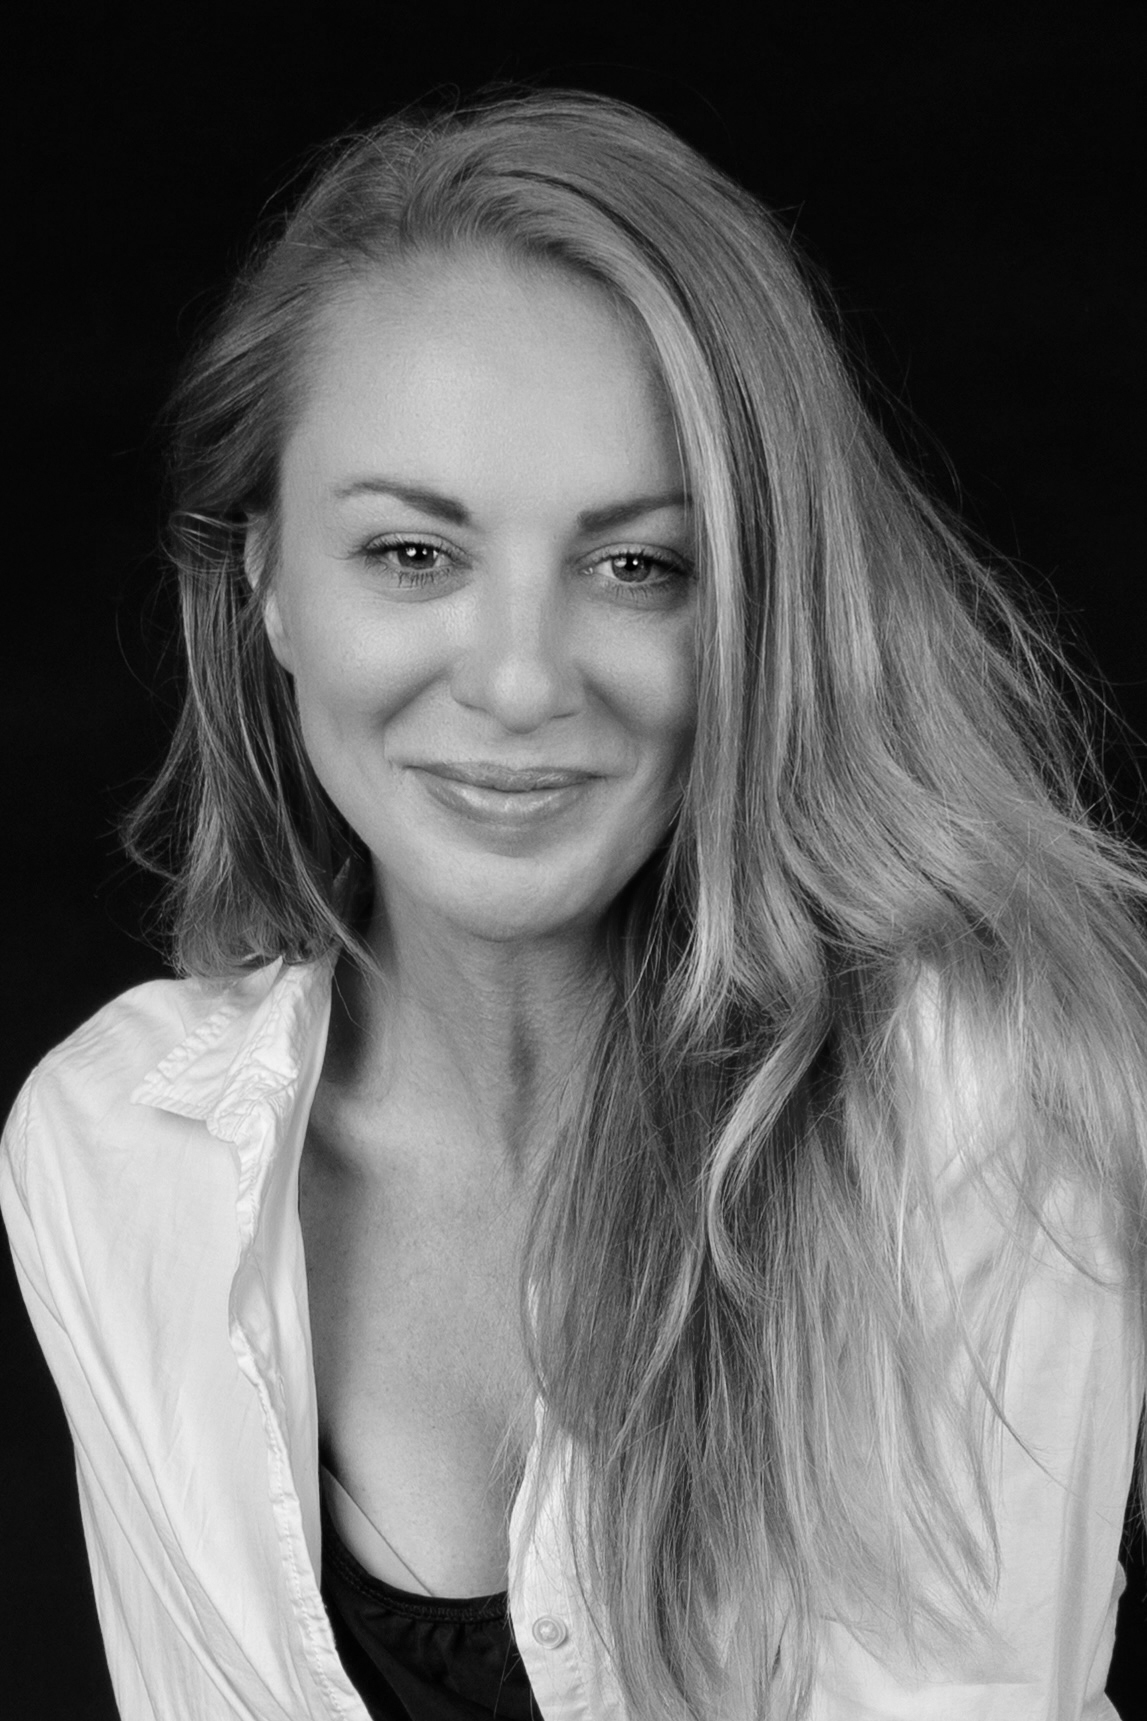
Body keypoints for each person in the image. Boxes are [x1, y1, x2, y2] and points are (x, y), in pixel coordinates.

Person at [2, 85, 1144, 1721]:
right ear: (265, 583)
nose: (523, 681)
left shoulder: (969, 1114)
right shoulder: (116, 1152)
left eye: (637, 566)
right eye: (413, 554)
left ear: (758, 610)